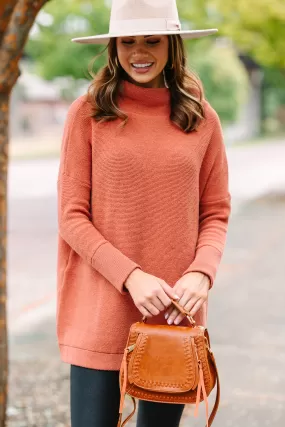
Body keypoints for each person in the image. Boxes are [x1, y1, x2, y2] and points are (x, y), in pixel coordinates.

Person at [56, 0, 231, 426]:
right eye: (128, 41)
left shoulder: (201, 119)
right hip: (100, 310)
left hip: (172, 315)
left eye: (152, 40)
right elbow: (72, 216)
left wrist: (200, 274)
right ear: (114, 46)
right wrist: (131, 276)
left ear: (172, 45)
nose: (139, 51)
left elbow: (216, 212)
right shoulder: (88, 114)